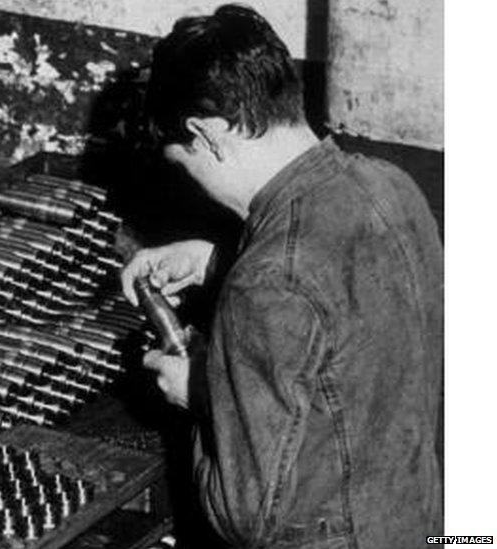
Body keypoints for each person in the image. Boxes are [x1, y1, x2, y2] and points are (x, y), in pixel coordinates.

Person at [120, 5, 443, 548]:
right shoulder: (392, 187)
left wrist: (200, 389)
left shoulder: (268, 282)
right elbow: (341, 308)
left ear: (208, 133)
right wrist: (211, 259)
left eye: (185, 163)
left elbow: (247, 516)